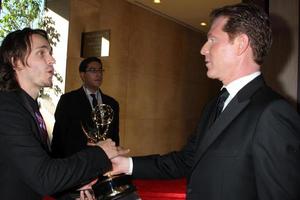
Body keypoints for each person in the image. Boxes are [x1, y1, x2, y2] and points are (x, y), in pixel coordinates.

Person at [111, 3, 300, 200]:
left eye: (212, 40)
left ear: (241, 44)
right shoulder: (215, 104)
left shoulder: (273, 113)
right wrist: (126, 164)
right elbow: (187, 160)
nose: (203, 50)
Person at [0, 28, 127, 200]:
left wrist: (73, 185)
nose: (52, 59)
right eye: (41, 53)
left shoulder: (27, 107)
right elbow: (43, 176)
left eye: (50, 53)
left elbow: (30, 172)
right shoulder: (7, 108)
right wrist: (100, 152)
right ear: (16, 62)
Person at [51, 56, 120, 158]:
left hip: (104, 163)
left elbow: (115, 137)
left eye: (100, 70)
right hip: (76, 162)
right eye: (93, 70)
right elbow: (59, 137)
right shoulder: (68, 100)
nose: (98, 74)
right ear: (82, 75)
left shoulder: (112, 104)